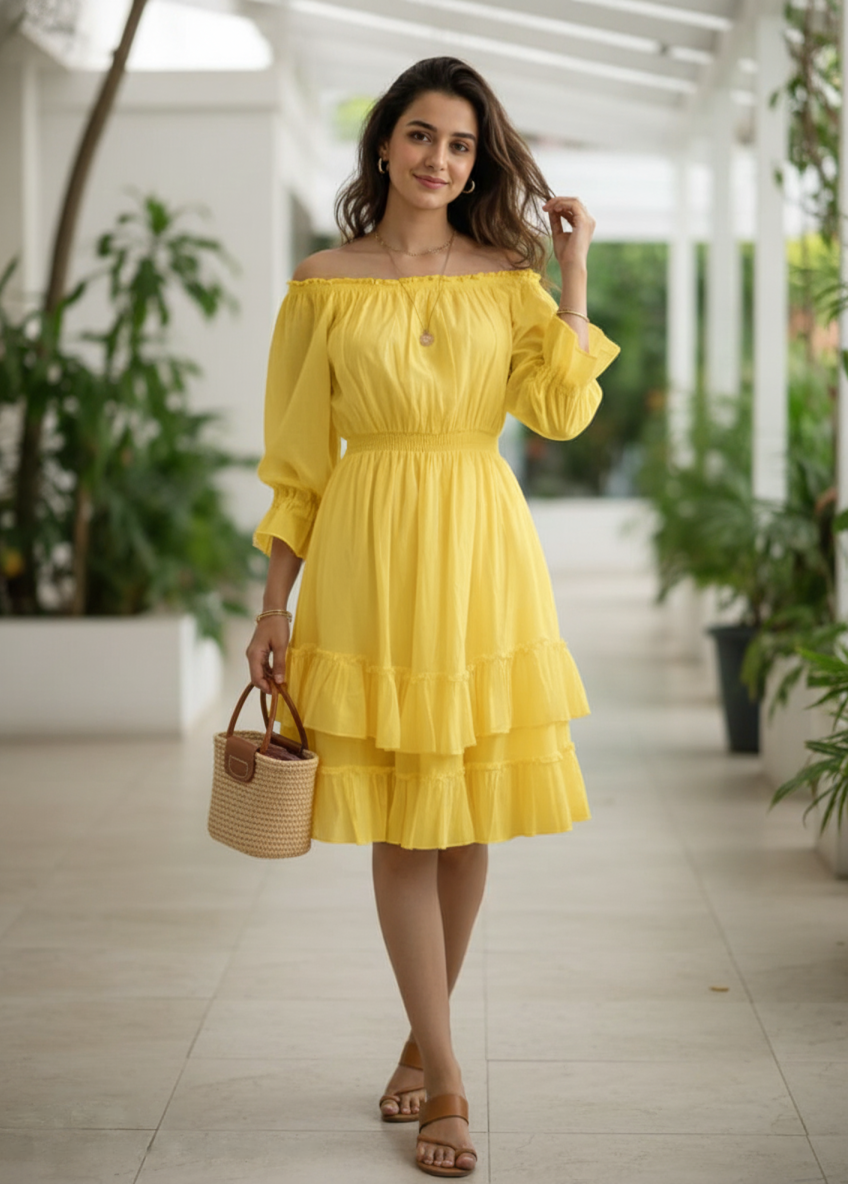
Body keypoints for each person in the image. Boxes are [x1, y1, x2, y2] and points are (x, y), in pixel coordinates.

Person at [246, 56, 619, 1179]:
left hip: (480, 543)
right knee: (404, 820)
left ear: (476, 161)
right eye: (421, 136)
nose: (439, 160)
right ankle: (448, 1082)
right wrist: (274, 601)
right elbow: (298, 462)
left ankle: (423, 1031)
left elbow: (556, 409)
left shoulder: (506, 276)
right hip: (367, 546)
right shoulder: (322, 281)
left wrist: (572, 270)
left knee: (463, 820)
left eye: (460, 145)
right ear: (384, 145)